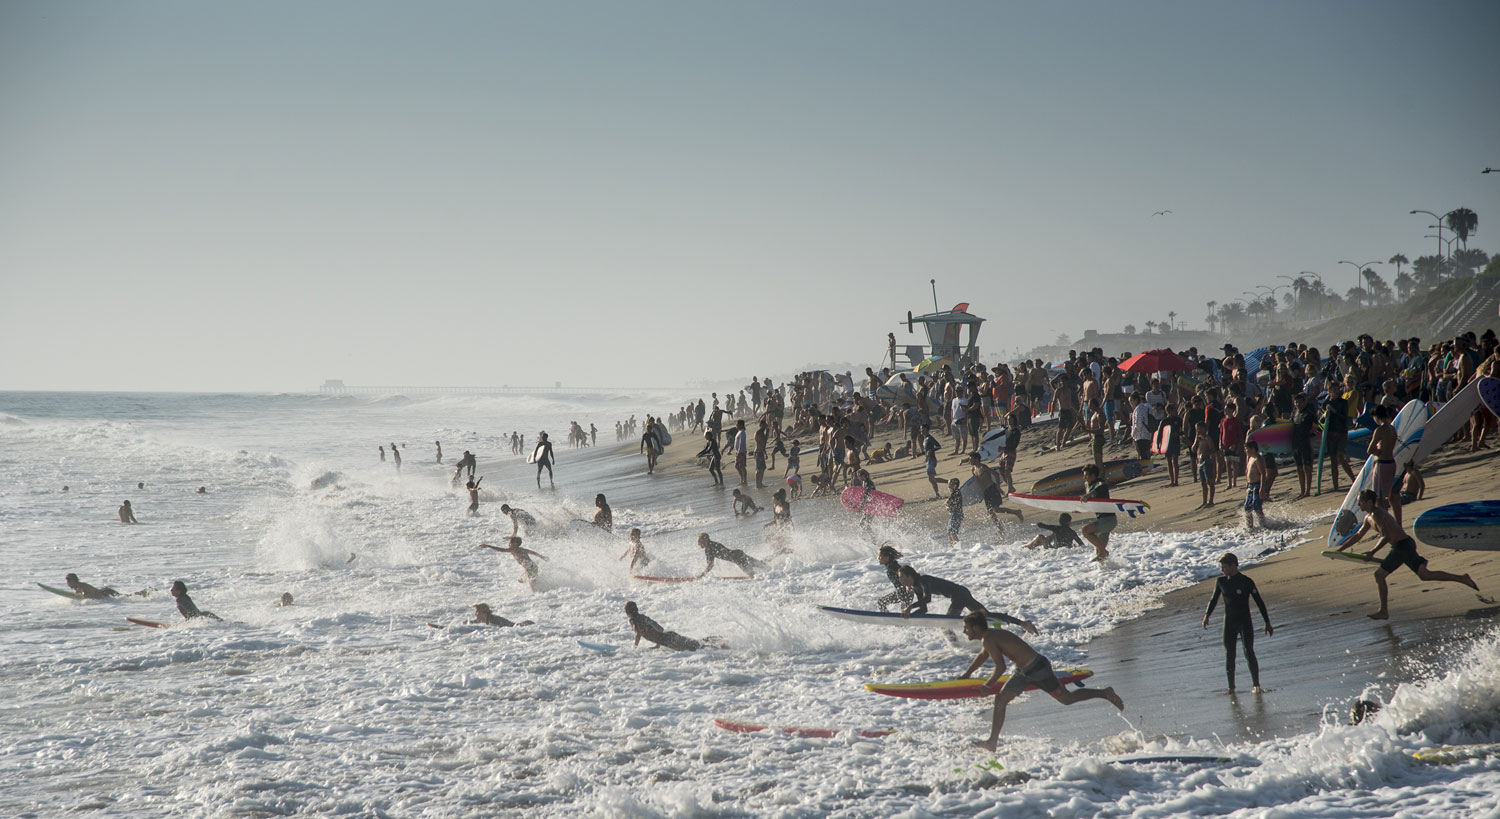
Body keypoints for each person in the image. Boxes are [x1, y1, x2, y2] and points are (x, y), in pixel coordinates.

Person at [961, 612, 1124, 751]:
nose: (964, 631)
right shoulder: (990, 636)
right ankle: (992, 742)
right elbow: (983, 655)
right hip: (1023, 671)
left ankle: (1104, 693)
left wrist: (987, 686)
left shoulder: (988, 638)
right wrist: (966, 674)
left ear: (975, 628)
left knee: (1066, 699)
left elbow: (1001, 667)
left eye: (966, 628)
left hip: (1037, 670)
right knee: (1000, 699)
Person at [1336, 490, 1478, 619]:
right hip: (1405, 545)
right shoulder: (1368, 518)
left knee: (1379, 575)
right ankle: (1462, 578)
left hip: (1402, 546)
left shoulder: (1378, 514)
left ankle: (1384, 611)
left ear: (1369, 502)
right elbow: (1358, 535)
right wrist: (1341, 550)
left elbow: (1385, 536)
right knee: (1425, 575)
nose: (1358, 504)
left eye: (1360, 501)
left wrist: (1372, 552)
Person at [1201, 552, 1273, 694]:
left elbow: (1259, 602)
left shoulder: (1246, 581)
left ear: (1233, 565)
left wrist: (1267, 622)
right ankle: (1231, 687)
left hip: (1244, 621)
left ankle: (1256, 685)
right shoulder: (1221, 582)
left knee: (1248, 651)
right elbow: (1213, 599)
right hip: (1229, 623)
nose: (1222, 570)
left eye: (1224, 567)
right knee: (1229, 654)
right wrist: (1206, 615)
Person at [898, 566, 1037, 634]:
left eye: (902, 577)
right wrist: (911, 616)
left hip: (959, 595)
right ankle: (1023, 623)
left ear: (910, 575)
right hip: (961, 593)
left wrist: (910, 608)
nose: (900, 580)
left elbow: (927, 599)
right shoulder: (916, 587)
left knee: (947, 624)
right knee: (986, 615)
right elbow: (924, 609)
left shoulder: (923, 581)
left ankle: (958, 648)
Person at [1366, 405, 1403, 526]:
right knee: (1393, 496)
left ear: (1376, 417)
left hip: (1382, 464)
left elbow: (1369, 450)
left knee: (1380, 499)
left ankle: (1385, 526)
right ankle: (1398, 524)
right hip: (1391, 463)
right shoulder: (1392, 429)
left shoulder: (1380, 430)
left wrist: (1377, 452)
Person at [970, 452, 1022, 533]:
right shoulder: (973, 469)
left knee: (996, 509)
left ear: (976, 459)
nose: (969, 460)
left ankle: (1016, 512)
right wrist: (980, 495)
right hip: (985, 492)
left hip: (992, 488)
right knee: (990, 512)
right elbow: (978, 483)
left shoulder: (983, 467)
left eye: (971, 459)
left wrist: (998, 486)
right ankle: (1000, 528)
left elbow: (996, 474)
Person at [624, 601, 702, 651]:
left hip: (668, 641)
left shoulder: (633, 620)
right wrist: (658, 644)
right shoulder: (644, 617)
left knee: (695, 648)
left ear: (627, 612)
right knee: (698, 645)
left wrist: (634, 649)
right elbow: (660, 628)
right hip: (670, 636)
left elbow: (638, 634)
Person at [479, 538, 550, 591]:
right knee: (521, 580)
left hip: (530, 568)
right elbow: (534, 553)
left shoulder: (514, 550)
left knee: (532, 586)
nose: (509, 544)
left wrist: (489, 546)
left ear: (515, 544)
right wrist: (542, 557)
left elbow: (501, 550)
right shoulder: (522, 549)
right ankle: (543, 588)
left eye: (510, 543)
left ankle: (539, 595)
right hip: (532, 567)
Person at [1078, 464, 1115, 562]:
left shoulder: (1100, 483)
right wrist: (1079, 509)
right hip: (1102, 520)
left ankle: (1104, 551)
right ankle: (1108, 573)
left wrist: (1088, 494)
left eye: (1086, 475)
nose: (1084, 477)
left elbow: (1101, 488)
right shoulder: (1087, 485)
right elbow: (1090, 502)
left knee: (1085, 531)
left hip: (1108, 520)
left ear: (1093, 475)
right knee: (1099, 555)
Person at [696, 533, 769, 578]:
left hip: (737, 559)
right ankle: (773, 571)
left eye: (700, 541)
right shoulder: (713, 543)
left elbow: (710, 565)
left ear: (705, 540)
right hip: (738, 553)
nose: (699, 543)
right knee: (762, 565)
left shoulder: (709, 549)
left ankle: (767, 577)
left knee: (753, 576)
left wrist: (702, 575)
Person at [875, 545, 912, 611]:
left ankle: (887, 619)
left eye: (880, 556)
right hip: (903, 592)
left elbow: (905, 574)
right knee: (881, 602)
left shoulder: (892, 566)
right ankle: (888, 618)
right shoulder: (892, 565)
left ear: (887, 557)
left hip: (904, 592)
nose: (878, 558)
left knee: (881, 603)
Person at [1191, 422, 1218, 508]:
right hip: (1200, 461)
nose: (1197, 430)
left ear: (1203, 428)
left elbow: (1212, 448)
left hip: (1207, 460)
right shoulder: (1198, 439)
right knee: (1203, 483)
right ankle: (1204, 501)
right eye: (1196, 429)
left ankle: (1211, 500)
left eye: (1198, 428)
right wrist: (1196, 440)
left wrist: (1206, 453)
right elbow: (1193, 449)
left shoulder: (1207, 438)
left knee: (1209, 481)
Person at [1242, 441, 1268, 529]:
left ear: (1253, 449)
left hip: (1257, 485)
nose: (1246, 451)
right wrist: (1247, 484)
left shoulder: (1258, 459)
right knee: (1247, 508)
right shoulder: (1250, 458)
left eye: (1247, 449)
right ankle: (1250, 527)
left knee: (1257, 507)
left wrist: (1262, 488)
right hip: (1250, 486)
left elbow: (1263, 474)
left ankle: (1264, 525)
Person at [921, 424, 943, 498]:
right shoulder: (925, 438)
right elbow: (926, 450)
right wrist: (921, 453)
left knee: (932, 479)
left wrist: (931, 450)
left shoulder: (930, 438)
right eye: (921, 429)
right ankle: (937, 494)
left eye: (922, 429)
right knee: (931, 479)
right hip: (928, 460)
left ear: (926, 429)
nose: (921, 430)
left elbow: (938, 446)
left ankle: (949, 482)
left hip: (932, 460)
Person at [945, 478, 964, 546]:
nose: (948, 486)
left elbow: (948, 502)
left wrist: (947, 506)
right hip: (954, 514)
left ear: (955, 485)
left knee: (952, 533)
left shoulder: (955, 492)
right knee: (949, 533)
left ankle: (958, 548)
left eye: (950, 485)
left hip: (957, 515)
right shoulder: (956, 492)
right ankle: (951, 549)